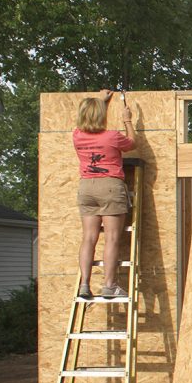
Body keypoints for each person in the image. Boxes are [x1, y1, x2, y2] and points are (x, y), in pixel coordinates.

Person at [74, 90, 137, 299]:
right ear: (101, 115)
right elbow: (132, 143)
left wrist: (101, 100)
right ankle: (109, 285)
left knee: (88, 237)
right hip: (110, 186)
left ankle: (84, 284)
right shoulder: (112, 137)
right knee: (111, 238)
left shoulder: (77, 136)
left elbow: (90, 117)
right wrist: (128, 120)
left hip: (87, 188)